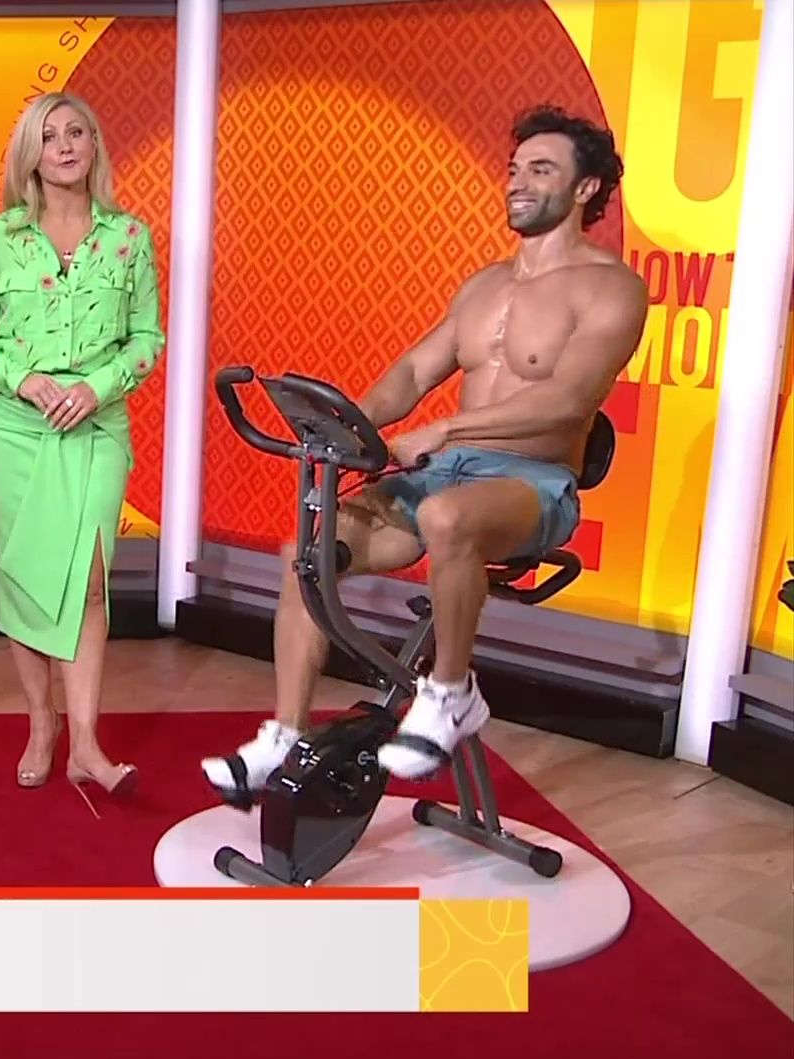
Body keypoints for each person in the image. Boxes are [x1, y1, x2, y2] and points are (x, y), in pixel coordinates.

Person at [202, 104, 647, 801]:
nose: (518, 183)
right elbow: (412, 374)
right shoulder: (485, 287)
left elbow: (567, 402)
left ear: (585, 188)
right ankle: (285, 737)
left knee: (447, 518)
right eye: (514, 169)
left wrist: (447, 431)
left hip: (533, 484)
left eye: (541, 170)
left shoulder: (612, 288)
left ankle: (450, 693)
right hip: (445, 476)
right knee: (305, 554)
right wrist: (350, 428)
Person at [0, 92, 166, 803]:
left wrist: (97, 388)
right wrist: (22, 378)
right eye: (49, 136)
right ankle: (42, 723)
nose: (65, 145)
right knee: (24, 574)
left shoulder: (129, 238)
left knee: (91, 578)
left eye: (76, 132)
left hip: (96, 426)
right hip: (13, 427)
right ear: (30, 155)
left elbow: (147, 339)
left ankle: (87, 744)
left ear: (94, 145)